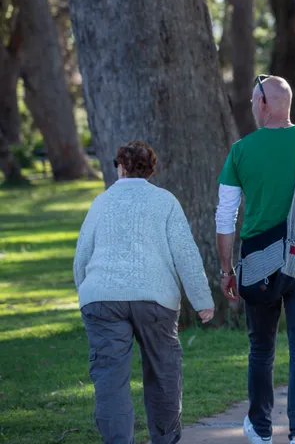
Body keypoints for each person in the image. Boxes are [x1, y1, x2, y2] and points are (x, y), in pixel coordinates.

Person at [215, 75, 295, 444]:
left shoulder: (241, 150)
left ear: (266, 104)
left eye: (255, 101)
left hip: (258, 265)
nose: (253, 107)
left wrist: (227, 270)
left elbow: (225, 216)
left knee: (261, 347)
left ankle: (261, 429)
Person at [74, 141, 214, 444]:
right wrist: (201, 299)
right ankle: (164, 439)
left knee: (110, 379)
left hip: (102, 298)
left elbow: (82, 255)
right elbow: (186, 254)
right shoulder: (165, 201)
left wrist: (83, 292)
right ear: (151, 169)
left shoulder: (102, 202)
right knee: (163, 372)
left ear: (121, 167)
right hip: (155, 298)